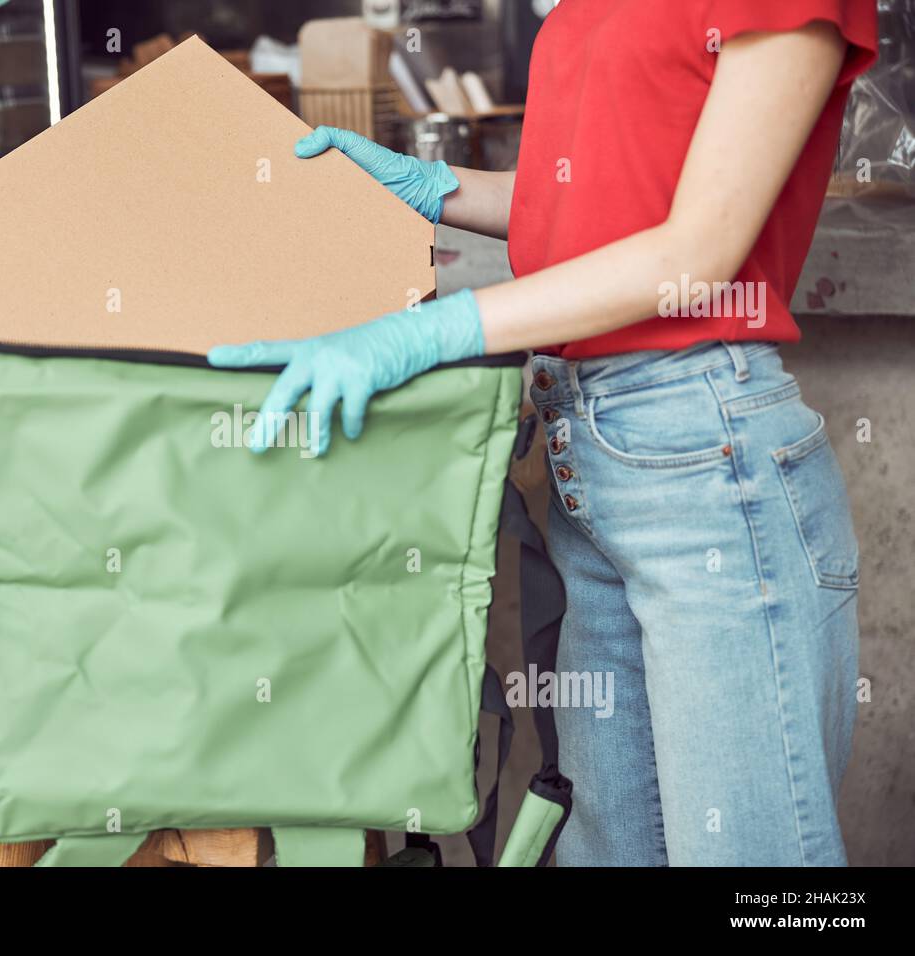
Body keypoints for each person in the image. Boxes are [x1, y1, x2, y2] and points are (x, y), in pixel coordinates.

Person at [209, 1, 878, 866]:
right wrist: (437, 186)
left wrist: (431, 333)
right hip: (584, 456)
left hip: (707, 466)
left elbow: (697, 251)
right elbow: (594, 203)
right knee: (609, 850)